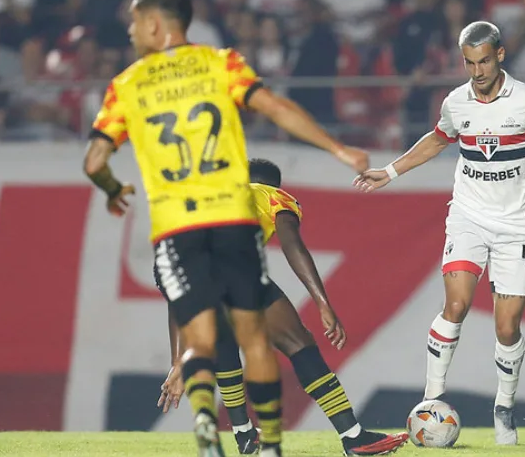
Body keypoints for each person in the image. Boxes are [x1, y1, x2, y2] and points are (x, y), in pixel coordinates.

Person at [82, 0, 368, 457]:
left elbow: (94, 161)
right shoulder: (221, 64)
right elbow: (275, 107)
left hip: (175, 233)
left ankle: (223, 436)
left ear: (153, 23)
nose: (129, 31)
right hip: (226, 226)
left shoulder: (126, 85)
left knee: (208, 344)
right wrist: (337, 149)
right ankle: (314, 440)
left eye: (133, 22)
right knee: (271, 338)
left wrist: (113, 190)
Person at [353, 21, 525, 446]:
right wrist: (390, 171)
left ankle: (504, 406)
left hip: (515, 226)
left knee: (507, 328)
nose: (477, 71)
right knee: (455, 305)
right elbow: (438, 140)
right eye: (469, 63)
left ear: (500, 55)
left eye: (484, 61)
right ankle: (432, 399)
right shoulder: (456, 102)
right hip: (468, 217)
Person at [158, 158, 410, 456]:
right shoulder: (271, 195)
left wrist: (178, 360)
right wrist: (322, 302)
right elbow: (293, 245)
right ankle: (353, 437)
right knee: (297, 342)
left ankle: (245, 435)